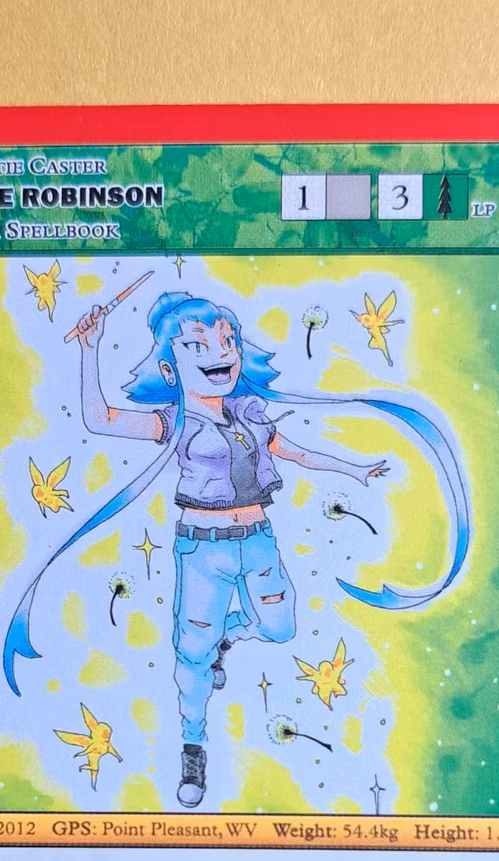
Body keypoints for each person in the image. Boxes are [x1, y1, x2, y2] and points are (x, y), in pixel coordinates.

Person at [76, 291, 388, 806]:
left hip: (258, 542)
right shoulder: (173, 422)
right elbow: (101, 420)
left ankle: (227, 637)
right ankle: (193, 747)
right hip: (203, 552)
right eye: (197, 346)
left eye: (226, 342)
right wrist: (91, 348)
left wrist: (353, 469)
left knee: (279, 626)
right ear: (170, 368)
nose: (218, 354)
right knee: (192, 654)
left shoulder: (250, 416)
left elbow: (297, 454)